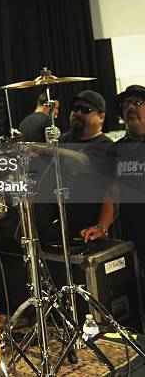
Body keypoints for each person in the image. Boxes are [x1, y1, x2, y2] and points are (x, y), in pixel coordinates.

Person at [59, 90, 114, 242]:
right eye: (75, 109)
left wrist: (47, 150)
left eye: (85, 110)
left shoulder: (106, 147)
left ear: (101, 117)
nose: (77, 113)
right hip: (62, 225)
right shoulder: (64, 139)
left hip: (90, 229)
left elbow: (81, 161)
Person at [113, 85, 145, 288]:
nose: (131, 107)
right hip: (130, 236)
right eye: (126, 104)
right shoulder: (116, 150)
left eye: (138, 102)